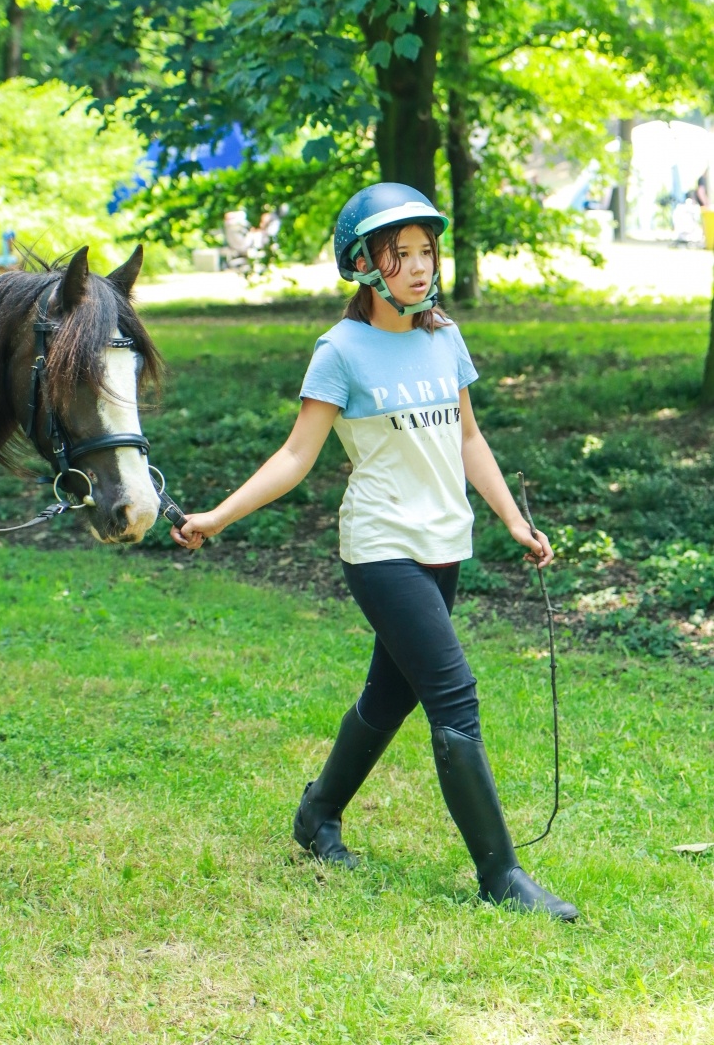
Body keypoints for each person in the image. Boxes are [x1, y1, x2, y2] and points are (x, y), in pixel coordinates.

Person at [173, 182, 578, 922]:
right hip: (380, 546)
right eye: (403, 256)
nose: (420, 268)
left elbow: (467, 438)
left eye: (427, 252)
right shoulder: (341, 351)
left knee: (389, 695)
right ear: (365, 264)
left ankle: (317, 814)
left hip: (443, 540)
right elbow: (296, 456)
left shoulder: (440, 336)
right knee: (452, 697)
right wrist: (218, 516)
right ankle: (501, 877)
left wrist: (512, 520)